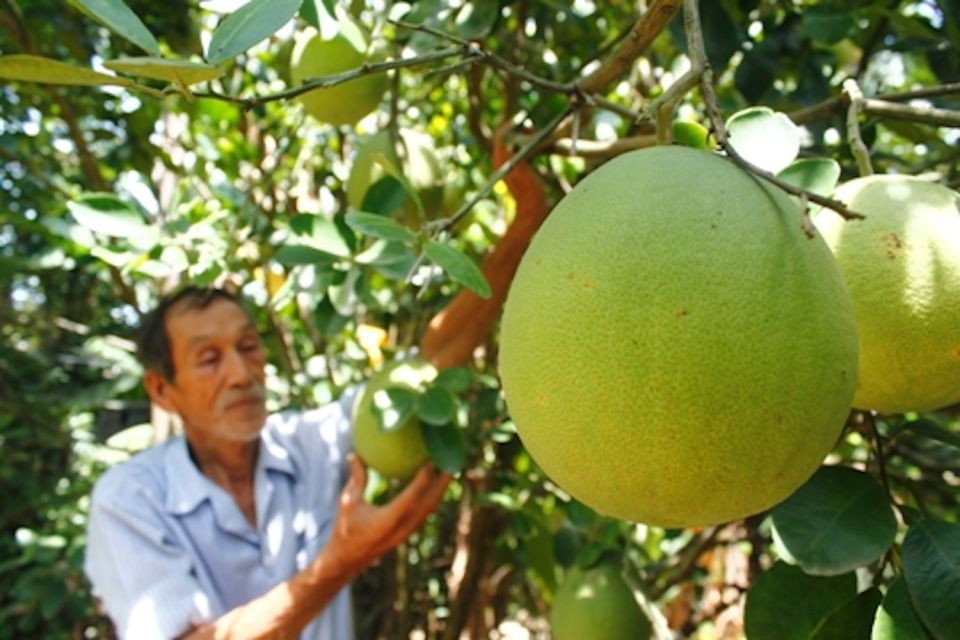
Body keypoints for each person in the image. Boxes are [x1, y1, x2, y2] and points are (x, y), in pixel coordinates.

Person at [83, 129, 551, 639]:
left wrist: (525, 223)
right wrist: (340, 563)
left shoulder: (309, 449)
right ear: (161, 390)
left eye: (247, 347)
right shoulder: (131, 501)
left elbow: (428, 364)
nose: (241, 374)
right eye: (208, 359)